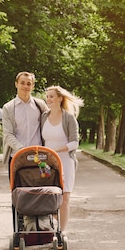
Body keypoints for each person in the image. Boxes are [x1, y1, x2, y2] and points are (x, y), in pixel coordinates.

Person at [41, 85, 84, 231]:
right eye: (47, 96)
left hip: (66, 162)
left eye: (52, 96)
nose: (48, 99)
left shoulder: (69, 118)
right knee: (48, 196)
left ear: (60, 98)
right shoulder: (44, 117)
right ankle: (52, 226)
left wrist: (58, 150)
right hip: (47, 164)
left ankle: (62, 232)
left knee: (64, 198)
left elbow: (74, 143)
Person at [2, 71, 48, 174]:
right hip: (17, 156)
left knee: (39, 189)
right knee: (17, 190)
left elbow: (49, 125)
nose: (25, 86)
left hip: (38, 157)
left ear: (33, 86)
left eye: (29, 84)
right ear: (16, 84)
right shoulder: (8, 108)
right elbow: (8, 134)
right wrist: (22, 149)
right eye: (22, 83)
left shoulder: (40, 105)